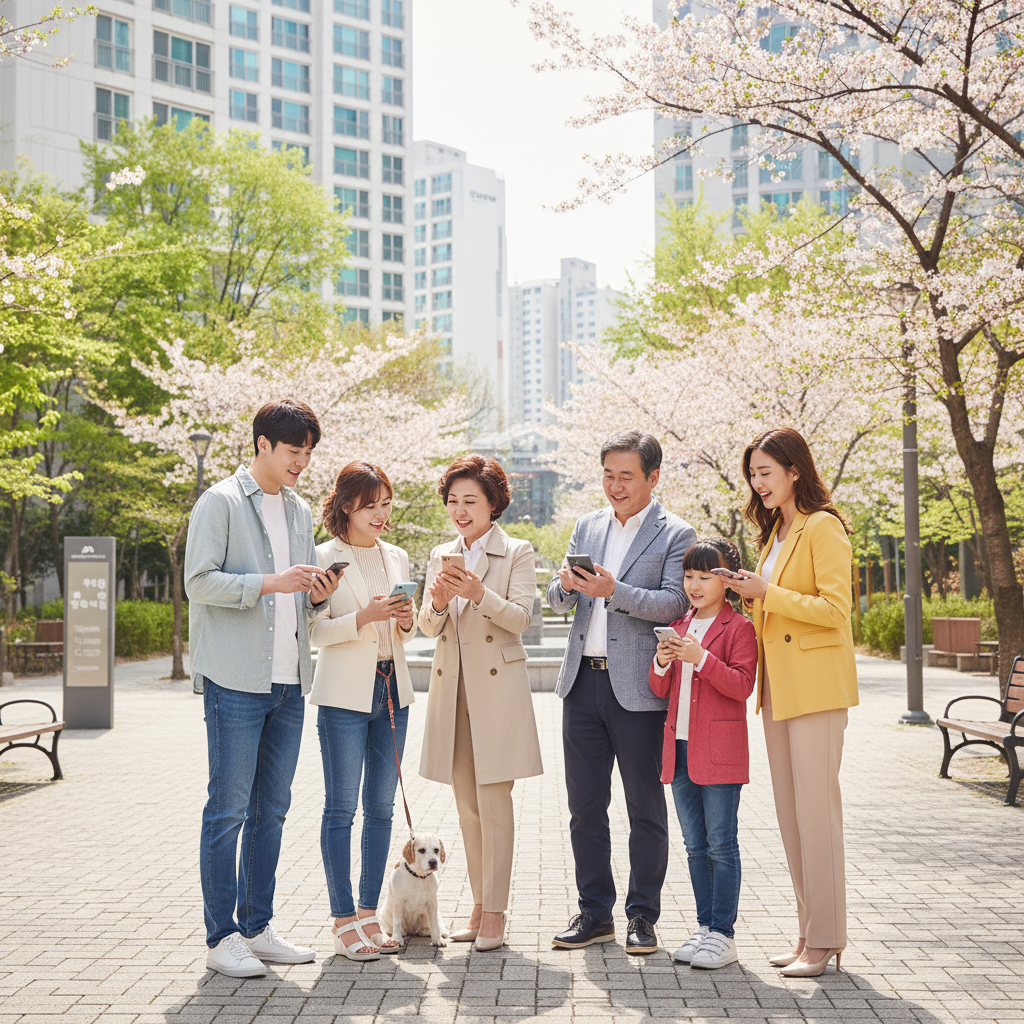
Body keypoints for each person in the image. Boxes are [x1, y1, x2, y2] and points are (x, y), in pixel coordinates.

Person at [184, 399, 340, 978]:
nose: (302, 462)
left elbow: (300, 595)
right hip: (236, 679)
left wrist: (317, 590)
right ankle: (220, 935)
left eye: (307, 452)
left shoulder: (299, 510)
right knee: (227, 810)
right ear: (263, 445)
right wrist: (270, 582)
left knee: (272, 809)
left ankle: (256, 925)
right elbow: (197, 582)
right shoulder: (220, 502)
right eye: (294, 451)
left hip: (289, 679)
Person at [547, 429, 695, 955]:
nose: (614, 485)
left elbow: (676, 602)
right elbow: (558, 599)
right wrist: (566, 585)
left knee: (644, 807)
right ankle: (594, 913)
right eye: (607, 475)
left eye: (626, 476)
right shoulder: (587, 525)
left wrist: (616, 592)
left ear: (653, 477)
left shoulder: (677, 533)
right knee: (585, 807)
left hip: (638, 690)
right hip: (580, 683)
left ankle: (642, 916)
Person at [725, 427, 858, 978]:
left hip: (817, 690)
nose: (758, 485)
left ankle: (826, 939)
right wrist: (747, 597)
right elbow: (776, 614)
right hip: (779, 689)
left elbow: (835, 609)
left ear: (794, 471)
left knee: (817, 816)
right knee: (791, 817)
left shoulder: (822, 527)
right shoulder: (775, 532)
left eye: (766, 473)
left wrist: (765, 593)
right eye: (753, 475)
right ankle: (808, 933)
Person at [418, 454, 543, 952]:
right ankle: (477, 904)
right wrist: (440, 603)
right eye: (453, 501)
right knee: (467, 808)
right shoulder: (440, 554)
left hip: (497, 693)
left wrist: (479, 592)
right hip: (453, 692)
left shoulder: (517, 551)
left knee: (494, 806)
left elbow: (520, 618)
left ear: (494, 503)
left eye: (471, 500)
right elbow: (427, 628)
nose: (460, 510)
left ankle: (495, 912)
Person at [308, 462, 418, 961]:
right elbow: (315, 632)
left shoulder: (396, 555)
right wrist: (364, 616)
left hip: (393, 690)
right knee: (340, 809)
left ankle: (370, 913)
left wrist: (406, 618)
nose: (381, 514)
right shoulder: (322, 557)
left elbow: (406, 632)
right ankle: (342, 918)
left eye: (386, 503)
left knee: (380, 809)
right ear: (347, 505)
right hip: (344, 696)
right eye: (371, 504)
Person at [649, 537, 757, 970]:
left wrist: (701, 658)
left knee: (721, 844)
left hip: (720, 752)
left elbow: (741, 686)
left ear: (726, 581)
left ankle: (724, 935)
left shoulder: (739, 628)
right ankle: (705, 927)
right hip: (679, 749)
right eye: (689, 576)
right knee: (695, 846)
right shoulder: (678, 625)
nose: (694, 585)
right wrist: (661, 660)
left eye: (704, 576)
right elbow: (660, 689)